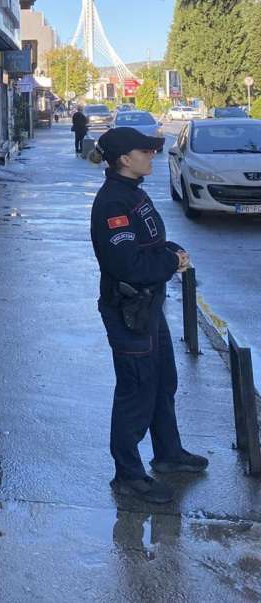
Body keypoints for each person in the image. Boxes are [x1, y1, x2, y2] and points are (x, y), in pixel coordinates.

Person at [89, 126, 208, 503]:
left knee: (162, 381)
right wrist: (171, 262)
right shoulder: (113, 203)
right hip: (129, 312)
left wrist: (170, 251)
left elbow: (147, 244)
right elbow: (127, 264)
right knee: (136, 391)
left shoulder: (133, 192)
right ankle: (128, 475)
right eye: (145, 151)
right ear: (125, 159)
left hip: (148, 307)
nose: (152, 155)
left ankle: (168, 454)